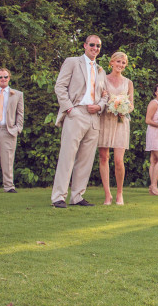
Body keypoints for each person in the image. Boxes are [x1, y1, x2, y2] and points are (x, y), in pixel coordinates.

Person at [51, 35, 107, 208]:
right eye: (92, 45)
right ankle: (58, 197)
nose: (95, 48)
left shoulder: (101, 70)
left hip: (93, 117)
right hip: (76, 113)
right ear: (85, 46)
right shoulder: (73, 62)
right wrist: (69, 108)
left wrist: (99, 107)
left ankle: (77, 196)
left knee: (86, 159)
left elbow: (105, 95)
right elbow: (60, 86)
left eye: (98, 46)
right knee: (67, 156)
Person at [98, 52, 134, 205]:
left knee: (119, 160)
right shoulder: (103, 79)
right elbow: (98, 98)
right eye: (118, 62)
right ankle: (108, 194)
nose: (120, 65)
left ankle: (119, 193)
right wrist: (108, 103)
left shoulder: (128, 82)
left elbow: (131, 105)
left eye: (123, 63)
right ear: (111, 62)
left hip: (121, 121)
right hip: (105, 120)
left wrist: (123, 108)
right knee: (104, 157)